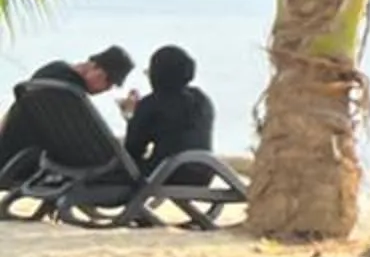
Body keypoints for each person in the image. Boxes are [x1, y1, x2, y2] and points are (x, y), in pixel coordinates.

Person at [0, 45, 134, 168]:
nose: (108, 88)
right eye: (108, 80)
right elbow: (90, 143)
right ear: (94, 67)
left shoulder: (53, 70)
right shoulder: (70, 93)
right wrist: (130, 116)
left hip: (8, 150)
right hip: (27, 163)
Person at [122, 45, 216, 173]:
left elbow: (132, 149)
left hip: (166, 172)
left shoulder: (152, 103)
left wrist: (131, 117)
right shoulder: (202, 100)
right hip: (204, 172)